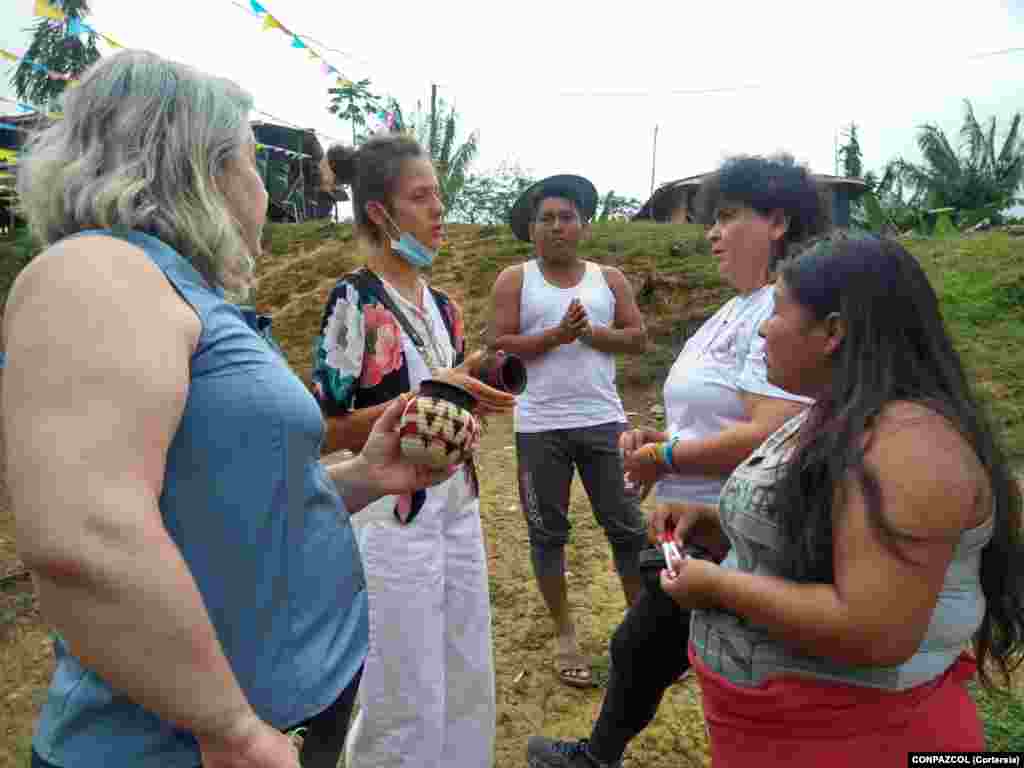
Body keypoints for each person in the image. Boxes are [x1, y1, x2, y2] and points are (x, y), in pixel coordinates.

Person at [5, 50, 461, 768]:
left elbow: (229, 503)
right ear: (197, 167)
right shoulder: (97, 272)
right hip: (184, 748)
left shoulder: (177, 292)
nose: (266, 193)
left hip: (278, 720)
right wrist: (232, 729)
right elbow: (84, 539)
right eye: (253, 163)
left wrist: (365, 475)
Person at [655, 233, 1024, 765]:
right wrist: (712, 523)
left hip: (864, 742)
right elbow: (826, 534)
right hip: (792, 734)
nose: (762, 327)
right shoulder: (832, 412)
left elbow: (874, 631)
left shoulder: (910, 446)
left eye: (777, 311)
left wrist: (717, 585)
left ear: (832, 332)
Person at [527, 154, 824, 767]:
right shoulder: (734, 308)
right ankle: (598, 754)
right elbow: (715, 418)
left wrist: (665, 455)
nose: (711, 233)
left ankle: (595, 757)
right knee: (651, 645)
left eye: (728, 217)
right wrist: (660, 439)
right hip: (694, 521)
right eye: (709, 220)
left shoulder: (781, 310)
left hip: (739, 532)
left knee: (653, 646)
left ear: (777, 221)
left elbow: (777, 432)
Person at [312, 135, 515, 768]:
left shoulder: (446, 308)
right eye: (421, 197)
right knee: (400, 680)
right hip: (389, 515)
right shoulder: (356, 302)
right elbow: (327, 427)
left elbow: (441, 404)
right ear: (379, 211)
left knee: (463, 661)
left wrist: (466, 399)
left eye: (439, 196)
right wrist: (435, 392)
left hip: (456, 504)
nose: (438, 210)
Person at [486, 174, 648, 688]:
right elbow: (498, 346)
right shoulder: (515, 279)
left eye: (567, 217)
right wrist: (556, 336)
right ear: (531, 229)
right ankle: (565, 636)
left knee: (626, 529)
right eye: (547, 219)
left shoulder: (609, 279)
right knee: (547, 534)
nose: (558, 227)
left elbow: (637, 338)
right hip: (540, 427)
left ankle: (643, 634)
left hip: (604, 422)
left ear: (583, 224)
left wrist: (591, 334)